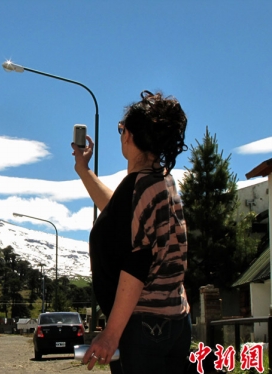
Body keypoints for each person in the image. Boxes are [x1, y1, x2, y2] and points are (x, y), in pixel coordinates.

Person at [72, 91, 191, 374]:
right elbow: (117, 212)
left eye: (121, 128)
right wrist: (83, 169)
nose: (120, 134)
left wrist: (110, 335)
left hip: (144, 328)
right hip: (175, 320)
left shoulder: (140, 187)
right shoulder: (159, 182)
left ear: (131, 136)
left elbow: (138, 263)